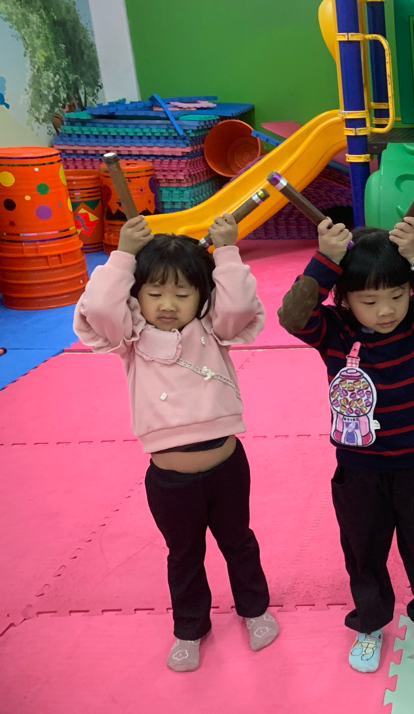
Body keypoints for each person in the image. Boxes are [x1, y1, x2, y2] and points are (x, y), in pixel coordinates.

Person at [73, 214, 278, 672]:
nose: (168, 304)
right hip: (170, 481)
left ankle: (255, 609)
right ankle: (189, 628)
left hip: (227, 467)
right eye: (155, 293)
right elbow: (100, 307)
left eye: (183, 295)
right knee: (184, 555)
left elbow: (239, 305)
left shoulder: (213, 330)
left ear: (202, 298)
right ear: (136, 296)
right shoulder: (130, 338)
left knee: (239, 543)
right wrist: (123, 255)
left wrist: (227, 251)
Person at [279, 214, 414, 673]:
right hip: (360, 471)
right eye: (369, 300)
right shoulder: (334, 330)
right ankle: (370, 622)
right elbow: (292, 316)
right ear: (344, 298)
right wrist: (325, 261)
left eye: (397, 295)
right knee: (364, 551)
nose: (386, 310)